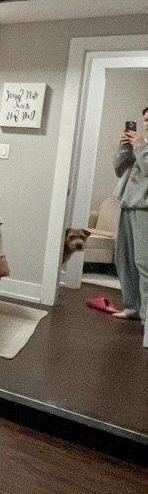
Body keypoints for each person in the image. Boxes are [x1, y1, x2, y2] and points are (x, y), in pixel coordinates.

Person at [112, 107, 148, 348]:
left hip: (145, 210)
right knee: (123, 261)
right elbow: (119, 170)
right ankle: (133, 308)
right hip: (126, 206)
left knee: (145, 264)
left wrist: (141, 147)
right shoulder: (140, 144)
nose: (147, 123)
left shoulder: (143, 146)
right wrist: (124, 146)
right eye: (145, 120)